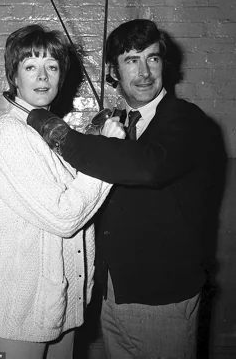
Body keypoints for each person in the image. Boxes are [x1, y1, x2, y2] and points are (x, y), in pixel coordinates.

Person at [27, 19, 225, 358]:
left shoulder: (186, 120)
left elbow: (147, 166)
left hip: (162, 296)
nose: (145, 71)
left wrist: (53, 128)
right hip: (114, 291)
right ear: (113, 71)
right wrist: (99, 137)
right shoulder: (116, 122)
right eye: (131, 60)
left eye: (153, 58)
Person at [0, 24, 125, 359]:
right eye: (31, 67)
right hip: (19, 310)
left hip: (60, 307)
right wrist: (110, 155)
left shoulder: (47, 131)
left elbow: (75, 184)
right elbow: (64, 215)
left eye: (52, 67)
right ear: (14, 77)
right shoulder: (7, 134)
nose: (42, 77)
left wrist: (98, 144)